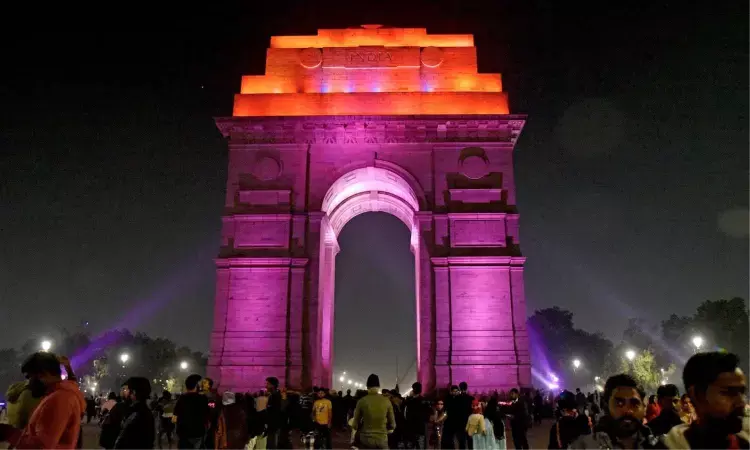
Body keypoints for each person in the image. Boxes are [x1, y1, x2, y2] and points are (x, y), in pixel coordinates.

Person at [662, 351, 748, 449]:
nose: (741, 402)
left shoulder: (744, 444)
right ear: (697, 395)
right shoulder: (669, 446)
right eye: (728, 392)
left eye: (742, 392)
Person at [0, 352, 85, 449]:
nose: (29, 382)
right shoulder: (61, 393)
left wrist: (8, 433)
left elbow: (42, 446)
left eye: (30, 376)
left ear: (45, 373)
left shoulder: (59, 399)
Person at [569, 374, 658, 449]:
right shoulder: (583, 446)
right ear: (606, 407)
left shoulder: (659, 444)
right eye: (619, 403)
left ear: (644, 408)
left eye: (634, 404)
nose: (627, 410)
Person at [351, 373, 396, 449]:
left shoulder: (361, 401)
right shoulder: (387, 401)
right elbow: (393, 425)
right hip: (382, 439)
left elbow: (355, 425)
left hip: (365, 440)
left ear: (367, 386)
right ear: (378, 387)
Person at [114, 377, 155, 448]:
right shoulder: (139, 411)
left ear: (134, 392)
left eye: (126, 389)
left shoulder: (139, 414)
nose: (124, 392)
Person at [174, 374, 210, 449]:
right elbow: (208, 414)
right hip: (198, 433)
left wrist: (176, 429)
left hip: (184, 434)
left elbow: (175, 415)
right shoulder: (203, 399)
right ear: (197, 386)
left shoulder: (181, 399)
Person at [403, 382, 431, 449]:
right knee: (420, 445)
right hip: (420, 427)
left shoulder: (410, 400)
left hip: (411, 427)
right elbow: (428, 413)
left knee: (412, 445)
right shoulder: (424, 400)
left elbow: (404, 411)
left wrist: (409, 397)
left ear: (414, 389)